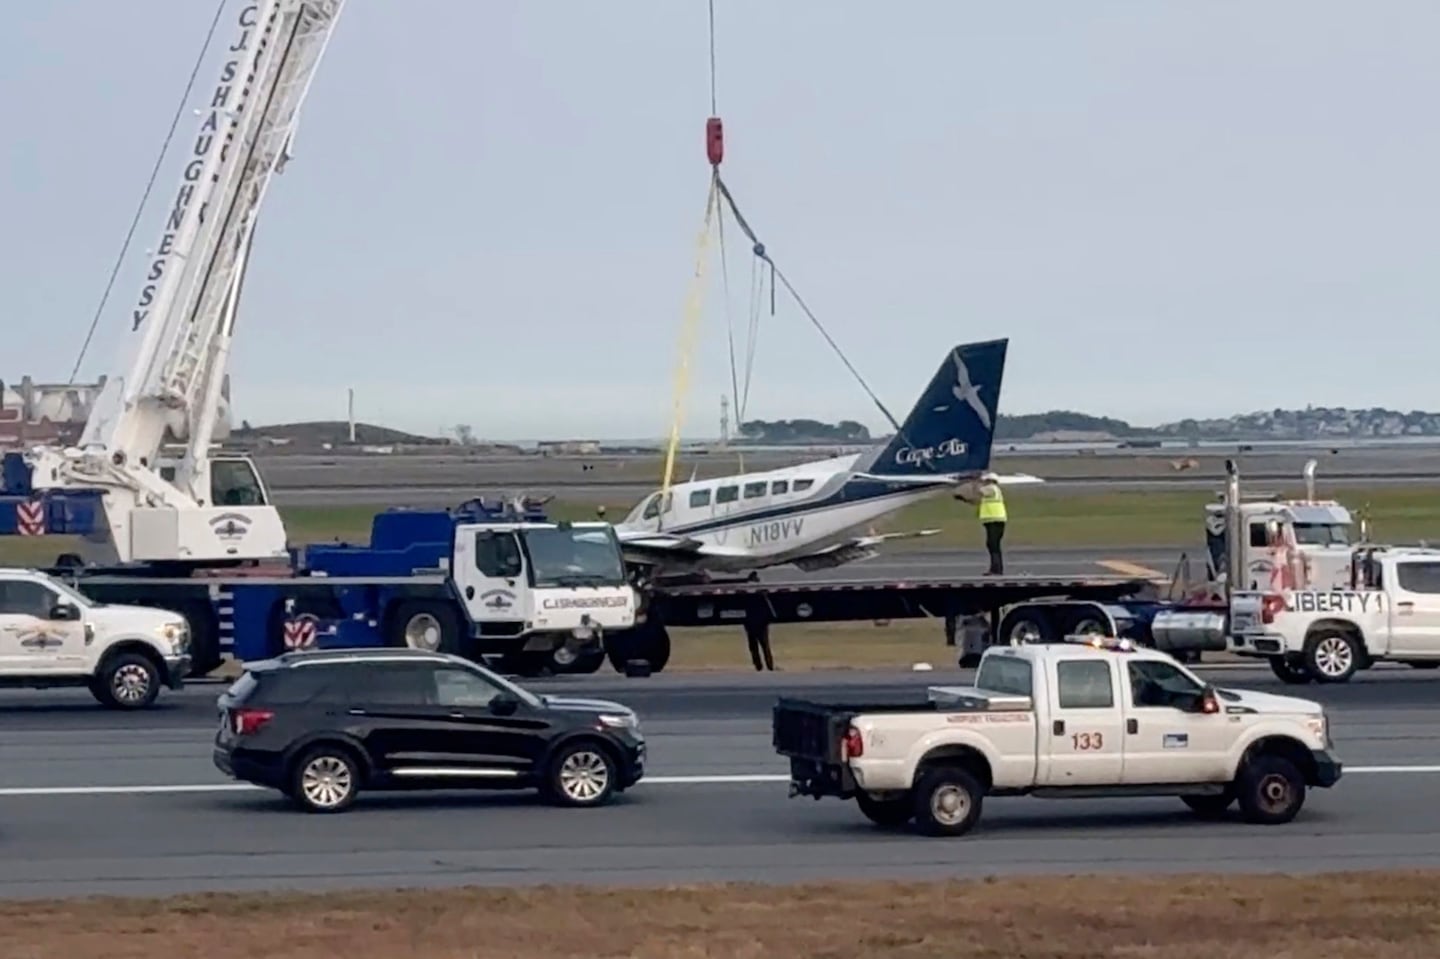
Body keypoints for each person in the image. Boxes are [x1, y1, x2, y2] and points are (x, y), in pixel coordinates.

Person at [956, 472, 1006, 575]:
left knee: (993, 545)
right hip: (993, 521)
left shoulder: (991, 488)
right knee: (993, 545)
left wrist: (975, 482)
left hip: (995, 521)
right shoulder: (992, 491)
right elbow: (976, 501)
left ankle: (996, 570)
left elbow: (978, 492)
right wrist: (963, 499)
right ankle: (996, 569)